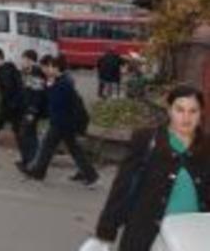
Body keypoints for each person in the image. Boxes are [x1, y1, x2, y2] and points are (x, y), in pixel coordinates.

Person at [92, 85, 209, 251]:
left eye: (193, 111)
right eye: (180, 110)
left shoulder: (206, 147)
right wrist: (106, 232)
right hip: (148, 236)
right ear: (169, 110)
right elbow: (122, 187)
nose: (186, 117)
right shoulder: (146, 140)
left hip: (192, 238)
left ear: (201, 113)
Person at [18, 54, 99, 186]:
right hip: (64, 122)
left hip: (62, 123)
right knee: (70, 149)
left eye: (51, 67)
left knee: (48, 147)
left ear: (57, 68)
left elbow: (58, 103)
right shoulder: (59, 81)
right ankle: (90, 175)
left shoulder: (63, 83)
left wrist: (50, 87)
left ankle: (39, 173)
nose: (48, 70)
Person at [18, 49, 47, 167]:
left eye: (23, 59)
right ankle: (28, 160)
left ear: (30, 60)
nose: (22, 62)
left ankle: (31, 161)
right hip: (27, 108)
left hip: (33, 109)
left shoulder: (36, 73)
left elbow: (37, 94)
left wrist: (32, 111)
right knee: (28, 133)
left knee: (27, 134)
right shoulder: (27, 72)